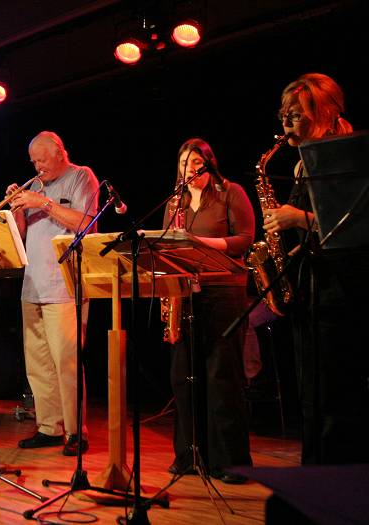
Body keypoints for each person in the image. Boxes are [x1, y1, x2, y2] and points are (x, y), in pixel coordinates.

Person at [263, 72, 369, 464]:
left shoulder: (346, 157)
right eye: (284, 115)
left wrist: (295, 217)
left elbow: (353, 224)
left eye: (296, 114)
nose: (287, 123)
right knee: (311, 395)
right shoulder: (301, 163)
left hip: (343, 290)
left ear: (323, 111)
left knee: (336, 398)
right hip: (312, 286)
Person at [164, 138, 255, 484]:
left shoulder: (231, 193)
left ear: (209, 164)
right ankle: (188, 455)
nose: (192, 170)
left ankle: (230, 462)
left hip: (224, 291)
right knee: (183, 375)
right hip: (185, 293)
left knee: (221, 376)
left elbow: (245, 238)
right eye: (186, 164)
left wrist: (201, 243)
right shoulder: (176, 201)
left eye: (197, 164)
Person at [7, 131, 99, 456]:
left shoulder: (81, 177)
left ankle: (76, 432)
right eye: (33, 161)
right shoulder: (34, 186)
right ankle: (49, 427)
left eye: (41, 160)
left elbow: (88, 223)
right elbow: (19, 236)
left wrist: (42, 203)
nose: (37, 166)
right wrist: (17, 209)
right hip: (32, 285)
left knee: (67, 363)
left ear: (59, 153)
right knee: (38, 364)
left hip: (64, 286)